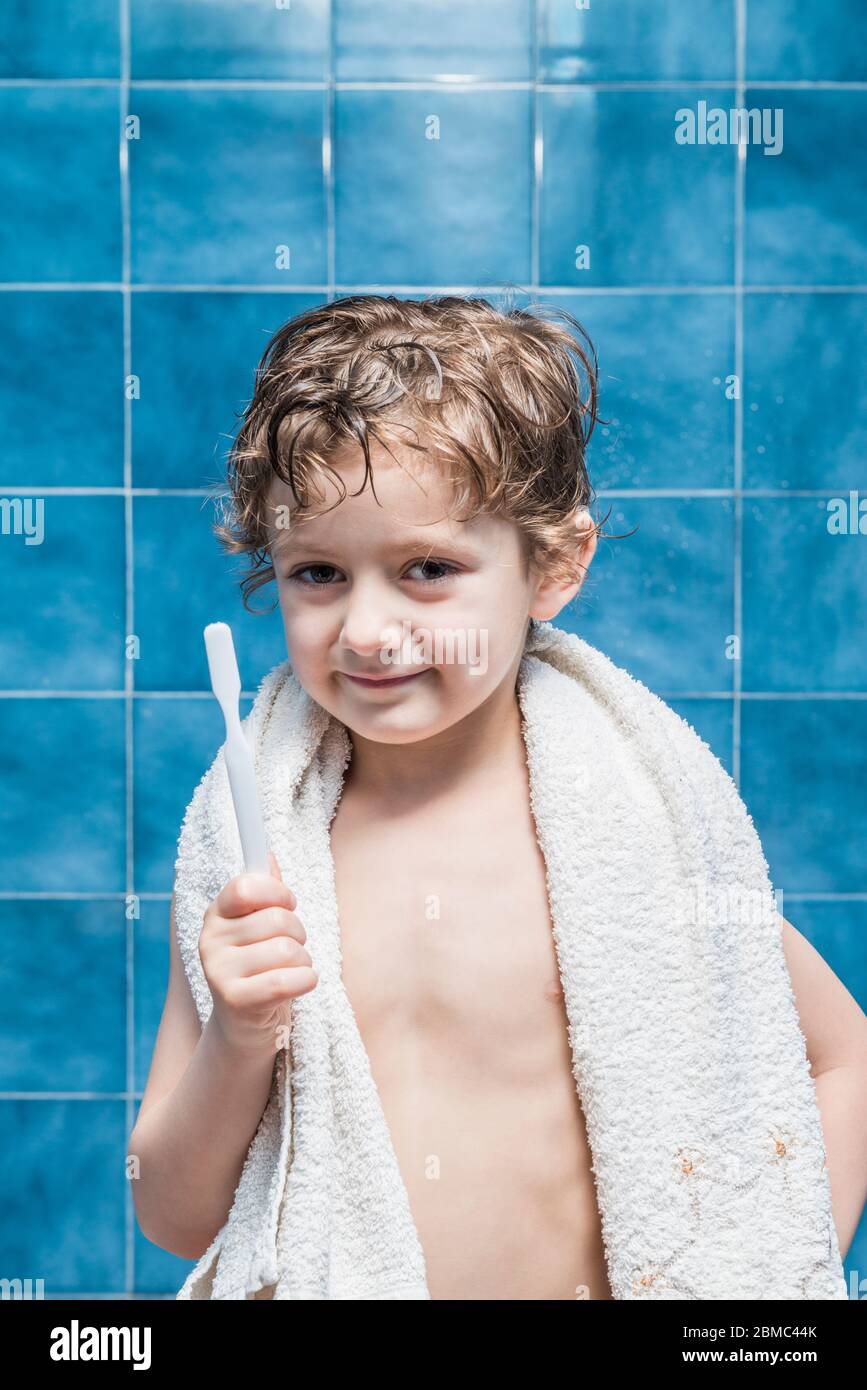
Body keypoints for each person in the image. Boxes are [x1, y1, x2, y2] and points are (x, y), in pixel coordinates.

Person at [128, 294, 867, 1300]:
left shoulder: (630, 826)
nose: (368, 630)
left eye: (427, 567)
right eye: (318, 573)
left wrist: (758, 1291)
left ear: (554, 564)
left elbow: (841, 1059)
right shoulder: (260, 852)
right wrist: (239, 1036)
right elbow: (171, 1213)